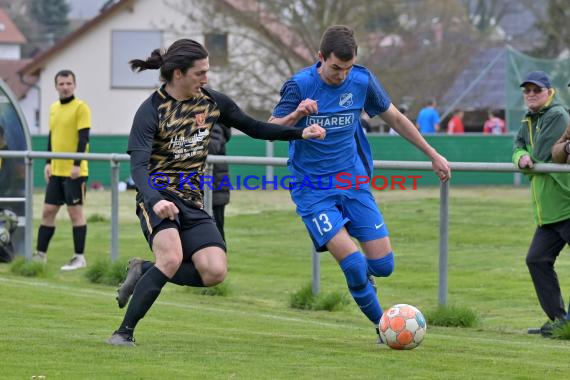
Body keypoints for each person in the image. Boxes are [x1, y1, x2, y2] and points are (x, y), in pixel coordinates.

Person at [107, 38, 326, 346]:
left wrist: (299, 132)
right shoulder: (151, 111)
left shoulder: (212, 102)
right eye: (200, 73)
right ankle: (123, 333)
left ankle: (144, 269)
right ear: (178, 74)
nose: (206, 79)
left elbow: (256, 128)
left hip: (193, 201)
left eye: (208, 72)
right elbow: (139, 168)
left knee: (214, 272)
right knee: (170, 258)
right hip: (157, 196)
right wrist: (155, 201)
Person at [269, 25, 451, 343]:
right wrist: (297, 115)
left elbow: (395, 118)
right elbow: (267, 128)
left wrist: (432, 154)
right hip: (311, 189)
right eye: (336, 68)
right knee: (353, 265)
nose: (341, 75)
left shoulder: (362, 81)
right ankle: (384, 327)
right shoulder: (299, 85)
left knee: (383, 265)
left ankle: (368, 282)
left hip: (353, 181)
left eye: (347, 68)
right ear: (320, 58)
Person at [513, 71, 570, 337]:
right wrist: (520, 156)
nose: (531, 94)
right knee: (536, 259)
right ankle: (560, 321)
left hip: (566, 203)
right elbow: (518, 147)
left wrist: (526, 158)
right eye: (527, 91)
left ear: (549, 92)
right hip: (548, 210)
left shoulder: (558, 115)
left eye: (536, 90)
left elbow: (542, 154)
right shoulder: (528, 120)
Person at [33, 70, 91, 271]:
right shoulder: (53, 108)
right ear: (55, 86)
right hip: (56, 171)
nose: (65, 86)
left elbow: (84, 138)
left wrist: (76, 165)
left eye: (69, 83)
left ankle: (79, 258)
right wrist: (48, 162)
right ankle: (40, 255)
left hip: (75, 171)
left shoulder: (81, 108)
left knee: (75, 213)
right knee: (48, 211)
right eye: (61, 83)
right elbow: (52, 137)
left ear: (74, 85)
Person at [208, 122, 231, 240]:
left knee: (215, 235)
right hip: (204, 189)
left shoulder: (214, 125)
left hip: (214, 191)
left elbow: (210, 148)